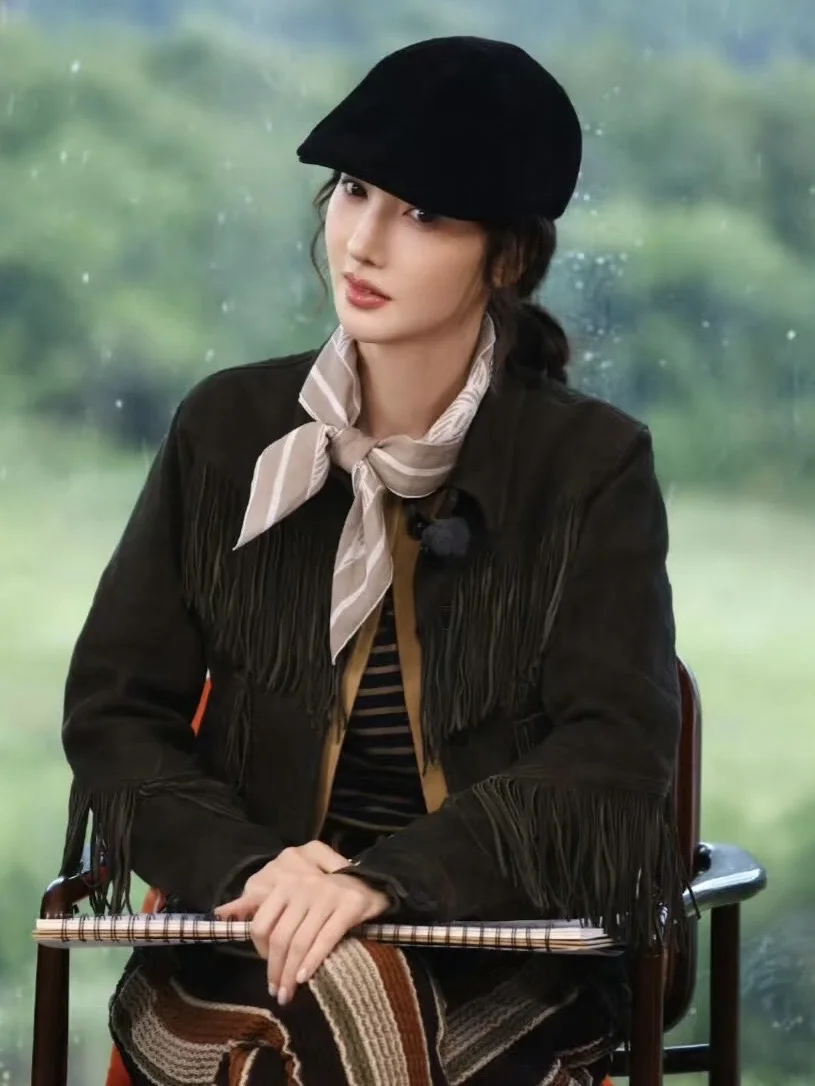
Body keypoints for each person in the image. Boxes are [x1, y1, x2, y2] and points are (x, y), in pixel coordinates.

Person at [59, 35, 687, 1086]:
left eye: (423, 214)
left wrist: (382, 883)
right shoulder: (226, 431)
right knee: (314, 1011)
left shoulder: (590, 464)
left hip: (500, 953)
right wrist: (256, 867)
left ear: (507, 259)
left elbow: (615, 751)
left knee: (334, 1023)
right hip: (245, 935)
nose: (363, 241)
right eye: (354, 192)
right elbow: (114, 716)